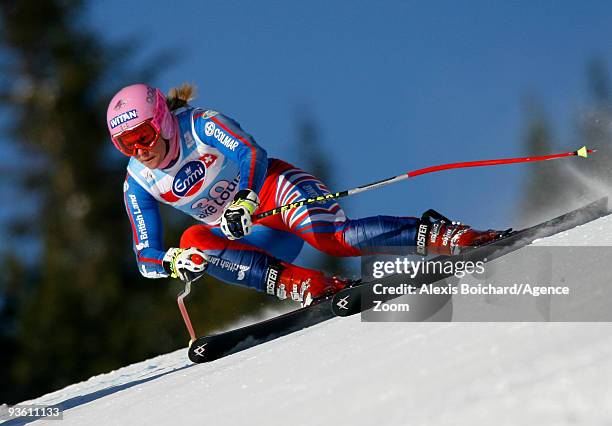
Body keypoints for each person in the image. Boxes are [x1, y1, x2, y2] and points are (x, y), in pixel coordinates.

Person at [107, 83, 505, 306]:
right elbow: (145, 257)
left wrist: (246, 197)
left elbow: (249, 152)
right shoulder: (137, 180)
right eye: (126, 144)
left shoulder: (199, 124)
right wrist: (173, 263)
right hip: (249, 237)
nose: (140, 150)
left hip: (273, 193)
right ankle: (308, 285)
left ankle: (441, 236)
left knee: (333, 238)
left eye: (142, 136)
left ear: (162, 120)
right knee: (192, 241)